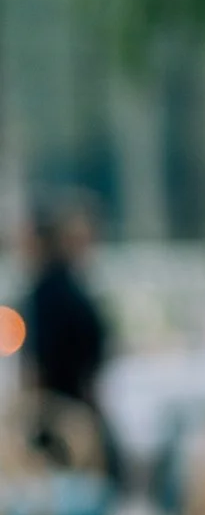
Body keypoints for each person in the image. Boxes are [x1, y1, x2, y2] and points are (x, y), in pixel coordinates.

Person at [19, 198, 113, 476]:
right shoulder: (64, 289)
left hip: (61, 414)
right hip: (70, 409)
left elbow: (36, 365)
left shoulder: (50, 290)